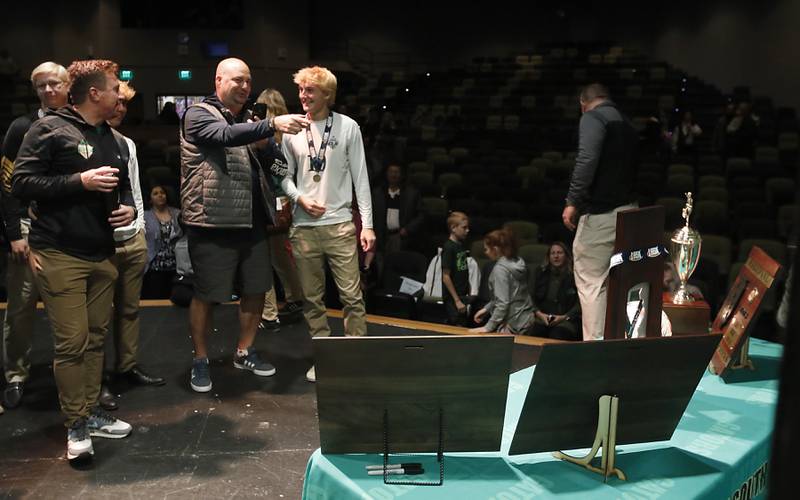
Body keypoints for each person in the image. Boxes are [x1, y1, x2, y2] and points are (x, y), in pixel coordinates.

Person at [12, 59, 135, 461]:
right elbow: (21, 183)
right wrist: (77, 181)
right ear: (95, 93)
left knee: (96, 338)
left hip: (102, 253)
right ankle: (76, 424)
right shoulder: (47, 128)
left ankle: (92, 412)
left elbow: (125, 190)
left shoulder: (113, 138)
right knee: (72, 343)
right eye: (115, 88)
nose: (121, 94)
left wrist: (129, 210)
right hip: (59, 253)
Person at [180, 57, 308, 393]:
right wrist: (268, 126)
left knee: (255, 289)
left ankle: (244, 351)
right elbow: (222, 136)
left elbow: (278, 168)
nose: (244, 87)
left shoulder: (249, 121)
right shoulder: (198, 114)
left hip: (252, 220)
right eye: (237, 80)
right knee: (208, 294)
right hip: (212, 222)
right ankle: (201, 359)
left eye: (248, 81)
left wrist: (268, 149)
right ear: (218, 80)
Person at [280, 66, 375, 383]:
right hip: (304, 227)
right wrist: (299, 198)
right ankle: (323, 358)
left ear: (327, 94)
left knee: (352, 297)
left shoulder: (348, 127)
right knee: (312, 300)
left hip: (340, 225)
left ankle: (356, 356)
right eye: (301, 90)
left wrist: (368, 225)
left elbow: (361, 178)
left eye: (310, 90)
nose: (303, 96)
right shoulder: (293, 129)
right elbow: (283, 176)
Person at [1, 61, 69, 410]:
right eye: (41, 85)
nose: (48, 90)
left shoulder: (79, 124)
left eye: (54, 83)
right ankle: (16, 374)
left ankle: (72, 380)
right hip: (28, 229)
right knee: (21, 307)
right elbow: (7, 182)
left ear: (67, 84)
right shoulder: (21, 127)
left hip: (66, 230)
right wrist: (14, 232)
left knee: (69, 310)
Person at [103, 81, 165, 413]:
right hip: (100, 245)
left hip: (131, 239)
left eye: (126, 104)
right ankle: (96, 381)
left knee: (129, 310)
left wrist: (140, 227)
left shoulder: (127, 143)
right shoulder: (86, 139)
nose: (121, 109)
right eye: (117, 102)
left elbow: (136, 190)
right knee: (96, 319)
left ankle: (125, 367)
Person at [562, 83, 638, 341]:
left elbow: (587, 158)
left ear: (583, 104)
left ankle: (594, 354)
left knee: (592, 284)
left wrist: (572, 200)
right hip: (631, 213)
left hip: (602, 213)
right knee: (622, 286)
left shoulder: (593, 117)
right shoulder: (627, 123)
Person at [253, 88, 305, 332]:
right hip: (286, 200)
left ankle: (269, 313)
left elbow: (279, 171)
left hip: (270, 199)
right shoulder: (292, 131)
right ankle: (297, 299)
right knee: (282, 256)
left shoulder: (264, 134)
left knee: (263, 257)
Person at [468, 228, 534, 334]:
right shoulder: (518, 262)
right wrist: (486, 309)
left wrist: (487, 327)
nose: (486, 253)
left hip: (513, 323)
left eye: (486, 249)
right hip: (526, 318)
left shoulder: (500, 269)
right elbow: (510, 294)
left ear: (496, 249)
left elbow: (503, 303)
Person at [369, 163, 423, 257]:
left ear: (401, 175)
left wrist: (408, 229)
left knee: (397, 262)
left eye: (396, 172)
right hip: (381, 236)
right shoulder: (377, 193)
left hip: (400, 237)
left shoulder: (412, 193)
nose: (393, 175)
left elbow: (421, 215)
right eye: (391, 172)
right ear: (386, 174)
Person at [530, 242, 581, 341]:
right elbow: (531, 297)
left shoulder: (574, 275)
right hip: (543, 318)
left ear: (566, 256)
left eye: (559, 253)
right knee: (534, 333)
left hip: (566, 319)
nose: (556, 256)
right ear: (548, 257)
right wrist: (539, 314)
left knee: (558, 334)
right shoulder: (540, 273)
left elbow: (579, 304)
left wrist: (564, 317)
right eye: (552, 253)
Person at [142, 185, 183, 299]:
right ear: (150, 199)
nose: (160, 195)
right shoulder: (145, 217)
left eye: (162, 192)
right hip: (154, 267)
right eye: (155, 193)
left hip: (175, 266)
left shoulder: (177, 214)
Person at [441, 211, 474, 326]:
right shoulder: (449, 247)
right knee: (457, 326)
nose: (467, 230)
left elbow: (463, 269)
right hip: (453, 298)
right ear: (453, 228)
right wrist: (457, 300)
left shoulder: (460, 245)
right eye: (464, 227)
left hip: (462, 294)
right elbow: (446, 276)